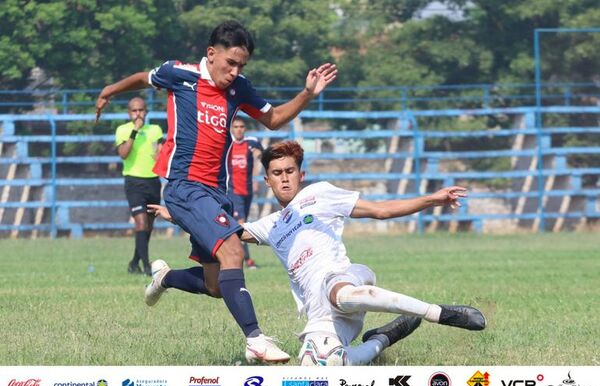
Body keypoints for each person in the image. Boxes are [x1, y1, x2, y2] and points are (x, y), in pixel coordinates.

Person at [95, 21, 337, 364]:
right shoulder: (178, 74)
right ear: (212, 54)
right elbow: (141, 78)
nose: (235, 72)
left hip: (213, 193)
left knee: (214, 284)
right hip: (183, 186)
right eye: (230, 64)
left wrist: (307, 94)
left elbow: (275, 118)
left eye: (242, 66)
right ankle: (255, 340)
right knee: (234, 252)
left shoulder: (239, 89)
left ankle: (166, 277)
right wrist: (110, 89)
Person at [147, 140, 486, 366]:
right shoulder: (271, 225)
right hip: (321, 316)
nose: (284, 179)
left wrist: (432, 199)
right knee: (322, 368)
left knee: (344, 294)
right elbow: (223, 236)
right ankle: (384, 337)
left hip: (344, 279)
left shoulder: (321, 194)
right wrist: (180, 214)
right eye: (277, 174)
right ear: (267, 180)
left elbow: (381, 210)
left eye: (290, 172)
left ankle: (439, 313)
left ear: (301, 174)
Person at [115, 97, 163, 276]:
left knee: (148, 226)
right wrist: (134, 131)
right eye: (134, 111)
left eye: (141, 110)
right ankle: (146, 266)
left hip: (153, 181)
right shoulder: (123, 130)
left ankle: (134, 262)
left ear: (146, 112)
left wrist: (160, 155)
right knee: (141, 223)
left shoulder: (155, 130)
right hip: (134, 181)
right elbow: (123, 154)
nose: (138, 114)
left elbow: (160, 152)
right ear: (129, 113)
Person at [227, 117, 264, 269]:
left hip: (247, 191)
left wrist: (259, 155)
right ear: (232, 129)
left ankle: (234, 255)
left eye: (242, 126)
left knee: (242, 225)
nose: (239, 129)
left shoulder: (251, 144)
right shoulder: (227, 146)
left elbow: (262, 155)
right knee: (241, 225)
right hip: (232, 191)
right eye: (236, 127)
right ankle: (246, 260)